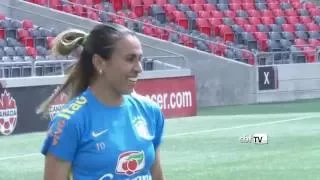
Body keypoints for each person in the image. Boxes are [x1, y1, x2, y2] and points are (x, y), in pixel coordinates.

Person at [37, 23, 166, 180]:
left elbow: (157, 175)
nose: (139, 68)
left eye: (140, 59)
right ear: (99, 62)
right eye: (130, 59)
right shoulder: (70, 122)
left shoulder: (150, 111)